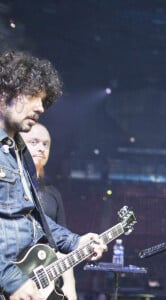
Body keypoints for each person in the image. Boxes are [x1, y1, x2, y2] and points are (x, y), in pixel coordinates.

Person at [0, 50, 107, 300]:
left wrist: (75, 242)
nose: (40, 107)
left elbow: (30, 221)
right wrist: (9, 278)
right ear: (4, 93)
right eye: (32, 97)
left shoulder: (19, 153)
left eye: (44, 101)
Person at [21, 123, 77, 300]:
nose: (41, 148)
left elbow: (60, 245)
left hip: (45, 287)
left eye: (46, 144)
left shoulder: (53, 193)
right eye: (34, 142)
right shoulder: (8, 187)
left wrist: (69, 285)